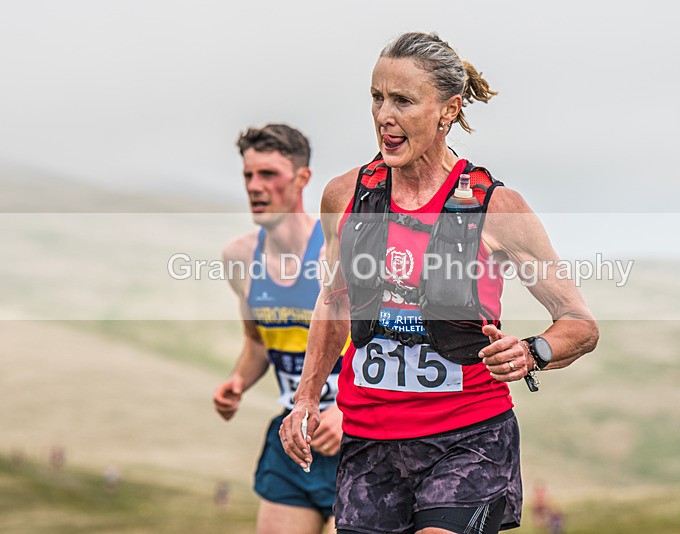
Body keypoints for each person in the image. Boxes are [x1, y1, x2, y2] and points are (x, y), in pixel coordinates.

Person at [281, 32, 598, 534]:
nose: (384, 114)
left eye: (403, 100)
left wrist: (533, 350)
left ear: (447, 110)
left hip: (468, 439)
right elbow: (335, 302)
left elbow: (579, 323)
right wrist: (306, 397)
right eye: (377, 97)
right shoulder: (344, 196)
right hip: (369, 443)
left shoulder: (496, 208)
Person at [213, 124, 344, 534]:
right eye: (249, 175)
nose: (255, 186)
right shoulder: (239, 257)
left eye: (268, 174)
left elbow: (384, 346)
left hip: (358, 442)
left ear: (303, 178)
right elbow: (256, 346)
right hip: (293, 440)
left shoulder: (335, 252)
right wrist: (238, 380)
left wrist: (348, 410)